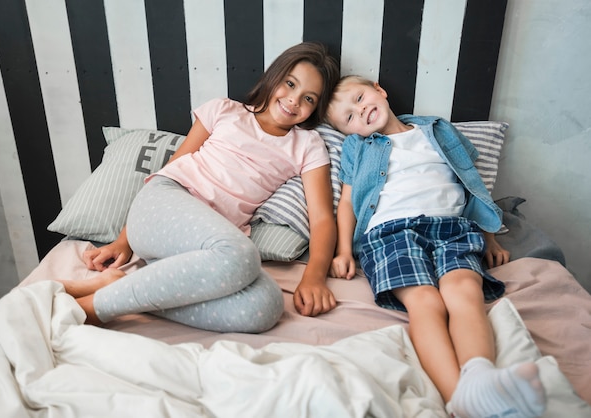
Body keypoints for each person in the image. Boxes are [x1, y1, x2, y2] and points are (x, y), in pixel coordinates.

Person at [58, 42, 340, 333]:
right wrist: (123, 241)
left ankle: (121, 286)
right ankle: (92, 309)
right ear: (274, 76)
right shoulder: (226, 111)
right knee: (242, 255)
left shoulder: (307, 145)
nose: (293, 100)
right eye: (290, 84)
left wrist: (314, 277)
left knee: (264, 306)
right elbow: (171, 166)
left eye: (308, 98)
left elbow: (321, 219)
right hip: (166, 202)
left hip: (206, 247)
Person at [325, 75, 546, 418]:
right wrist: (342, 251)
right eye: (349, 117)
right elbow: (348, 203)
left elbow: (472, 183)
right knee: (426, 302)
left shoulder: (438, 129)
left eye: (359, 97)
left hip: (452, 227)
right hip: (390, 234)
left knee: (464, 292)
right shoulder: (359, 148)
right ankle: (459, 397)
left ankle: (479, 377)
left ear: (379, 89)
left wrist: (490, 235)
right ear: (349, 133)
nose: (360, 110)